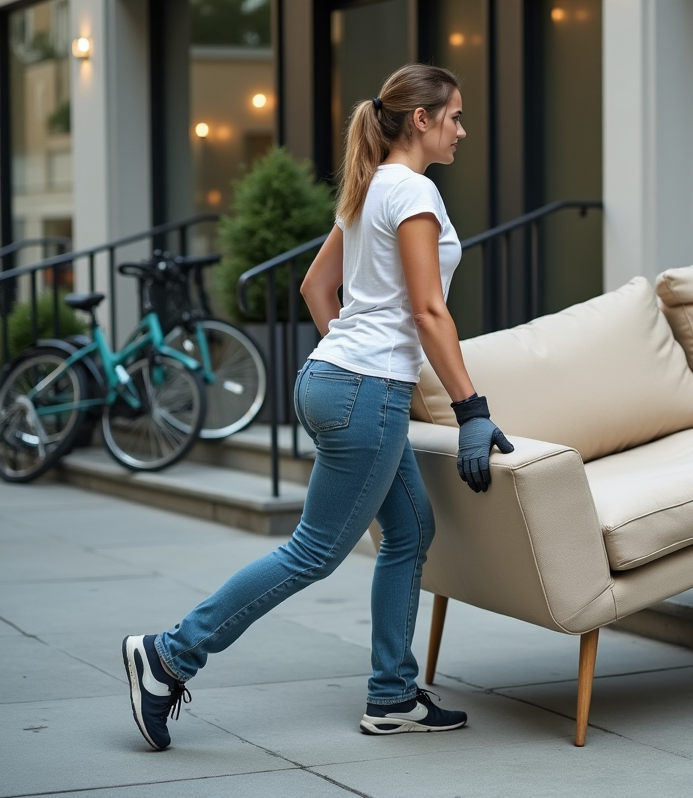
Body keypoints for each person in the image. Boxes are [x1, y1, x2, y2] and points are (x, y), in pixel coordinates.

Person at [121, 64, 513, 751]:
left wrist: (349, 361)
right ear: (420, 119)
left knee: (411, 531)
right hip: (365, 391)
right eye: (453, 115)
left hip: (335, 380)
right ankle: (170, 655)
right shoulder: (412, 192)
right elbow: (427, 309)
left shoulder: (367, 190)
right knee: (314, 552)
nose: (461, 129)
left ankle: (391, 695)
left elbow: (313, 287)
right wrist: (470, 407)